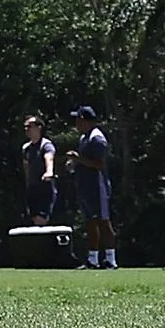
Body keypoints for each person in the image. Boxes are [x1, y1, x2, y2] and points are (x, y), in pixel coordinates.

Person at [68, 106, 116, 268]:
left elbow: (99, 164)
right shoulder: (84, 138)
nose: (76, 123)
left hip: (97, 185)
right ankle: (93, 259)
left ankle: (110, 259)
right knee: (90, 222)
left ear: (84, 120)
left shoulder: (97, 138)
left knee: (103, 221)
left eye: (78, 120)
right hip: (85, 186)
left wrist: (79, 159)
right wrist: (74, 164)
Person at [23, 116, 57, 226]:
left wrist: (49, 172)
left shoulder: (46, 145)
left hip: (44, 188)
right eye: (25, 127)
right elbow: (26, 167)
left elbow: (49, 158)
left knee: (41, 220)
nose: (27, 129)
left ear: (39, 128)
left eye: (29, 126)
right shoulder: (26, 148)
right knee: (33, 220)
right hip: (32, 189)